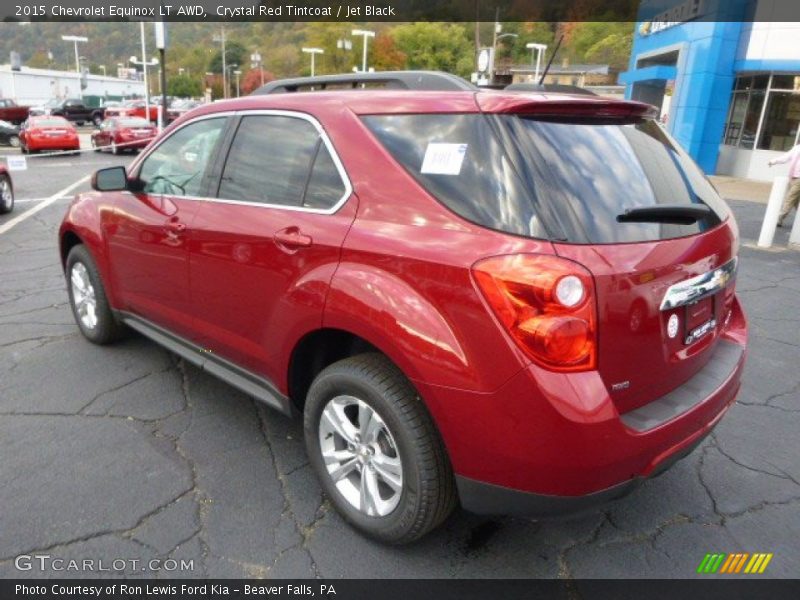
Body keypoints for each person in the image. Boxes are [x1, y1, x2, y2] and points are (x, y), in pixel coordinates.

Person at [768, 141, 800, 227]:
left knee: (790, 198)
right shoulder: (797, 148)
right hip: (793, 177)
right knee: (796, 201)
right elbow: (786, 157)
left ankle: (779, 218)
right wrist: (773, 161)